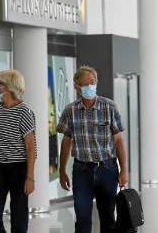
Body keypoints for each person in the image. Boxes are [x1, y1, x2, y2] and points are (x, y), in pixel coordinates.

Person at [57, 66, 128, 233]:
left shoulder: (109, 107)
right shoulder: (70, 110)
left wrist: (124, 170)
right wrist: (61, 171)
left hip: (107, 168)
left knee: (108, 218)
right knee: (82, 219)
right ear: (76, 86)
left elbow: (118, 141)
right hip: (82, 169)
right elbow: (66, 142)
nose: (89, 86)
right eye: (85, 84)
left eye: (92, 82)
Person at [0, 70, 36, 233]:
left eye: (0, 84)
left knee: (18, 220)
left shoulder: (24, 112)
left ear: (9, 86)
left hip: (19, 169)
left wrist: (30, 177)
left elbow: (31, 147)